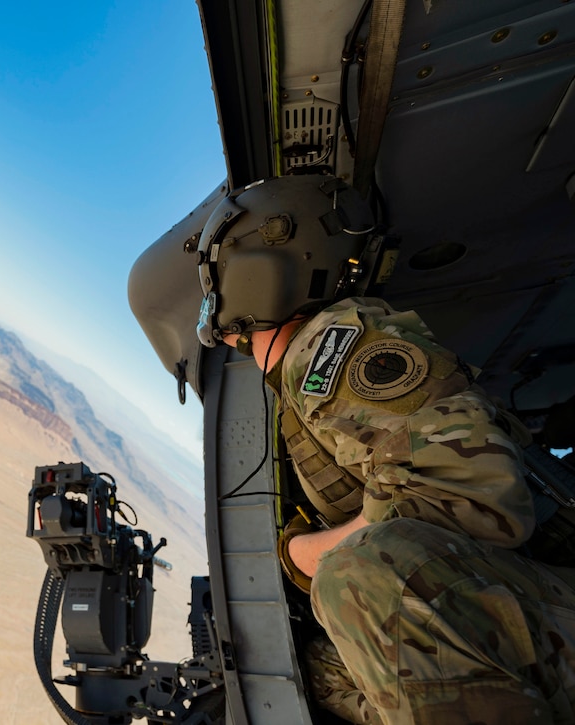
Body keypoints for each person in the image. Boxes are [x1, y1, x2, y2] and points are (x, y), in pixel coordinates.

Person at [193, 174, 575, 724]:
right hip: (523, 601)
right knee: (319, 666)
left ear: (255, 274)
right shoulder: (303, 369)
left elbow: (473, 505)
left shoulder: (327, 349)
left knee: (362, 576)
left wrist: (301, 555)